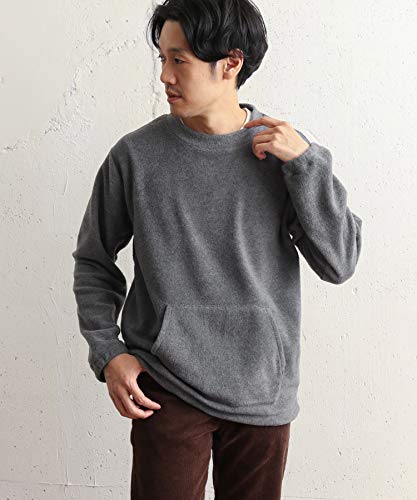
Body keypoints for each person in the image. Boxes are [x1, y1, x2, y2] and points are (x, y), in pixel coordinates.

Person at [71, 1, 363, 498]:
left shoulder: (287, 156)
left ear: (231, 63)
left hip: (262, 391)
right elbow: (95, 260)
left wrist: (307, 166)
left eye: (178, 60)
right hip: (165, 384)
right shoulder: (135, 157)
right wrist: (108, 352)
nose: (164, 76)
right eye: (162, 58)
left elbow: (339, 263)